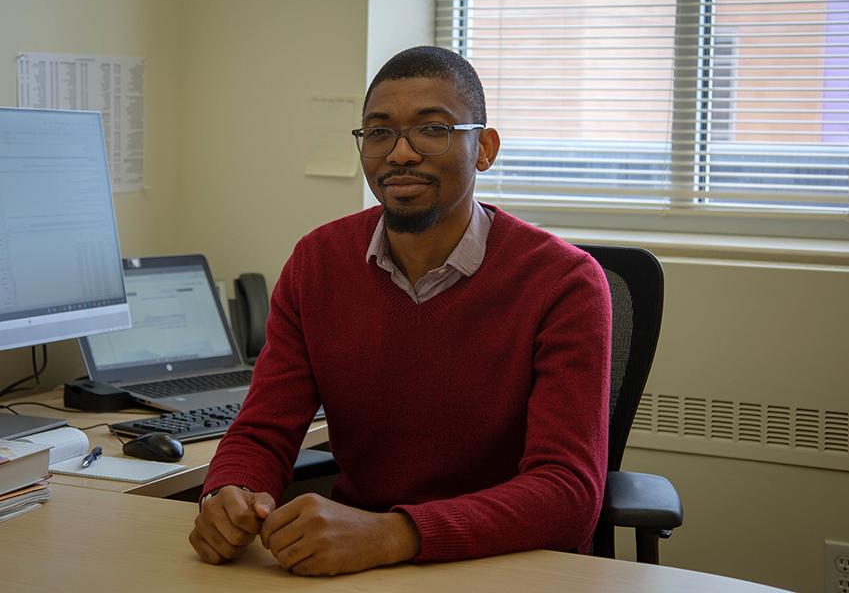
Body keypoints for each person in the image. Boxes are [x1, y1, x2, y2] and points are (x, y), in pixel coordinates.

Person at [189, 45, 612, 576]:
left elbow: (567, 493)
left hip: (508, 564)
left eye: (432, 129)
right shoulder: (317, 263)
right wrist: (230, 493)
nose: (400, 153)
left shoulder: (564, 282)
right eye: (379, 132)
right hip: (356, 562)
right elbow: (262, 433)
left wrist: (394, 533)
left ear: (484, 148)